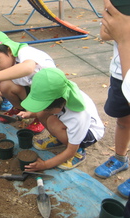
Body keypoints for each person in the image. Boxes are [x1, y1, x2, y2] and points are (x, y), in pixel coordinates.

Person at [19, 67, 104, 170]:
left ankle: (79, 153)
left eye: (47, 108)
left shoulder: (78, 116)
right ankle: (59, 138)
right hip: (70, 124)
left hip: (89, 133)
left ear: (60, 105)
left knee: (52, 122)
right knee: (42, 115)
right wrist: (30, 114)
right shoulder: (60, 93)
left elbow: (71, 150)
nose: (45, 110)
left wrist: (45, 165)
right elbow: (43, 112)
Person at [93, 0, 130, 200]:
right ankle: (120, 158)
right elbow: (104, 34)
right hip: (120, 75)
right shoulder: (121, 8)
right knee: (123, 122)